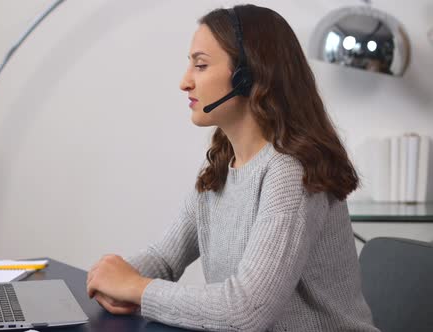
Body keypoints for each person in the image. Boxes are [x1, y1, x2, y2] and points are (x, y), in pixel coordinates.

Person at [86, 4, 379, 331]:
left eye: (200, 65)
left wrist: (137, 288)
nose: (185, 82)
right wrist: (108, 278)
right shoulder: (222, 163)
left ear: (247, 76)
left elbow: (246, 310)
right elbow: (166, 258)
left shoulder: (291, 172)